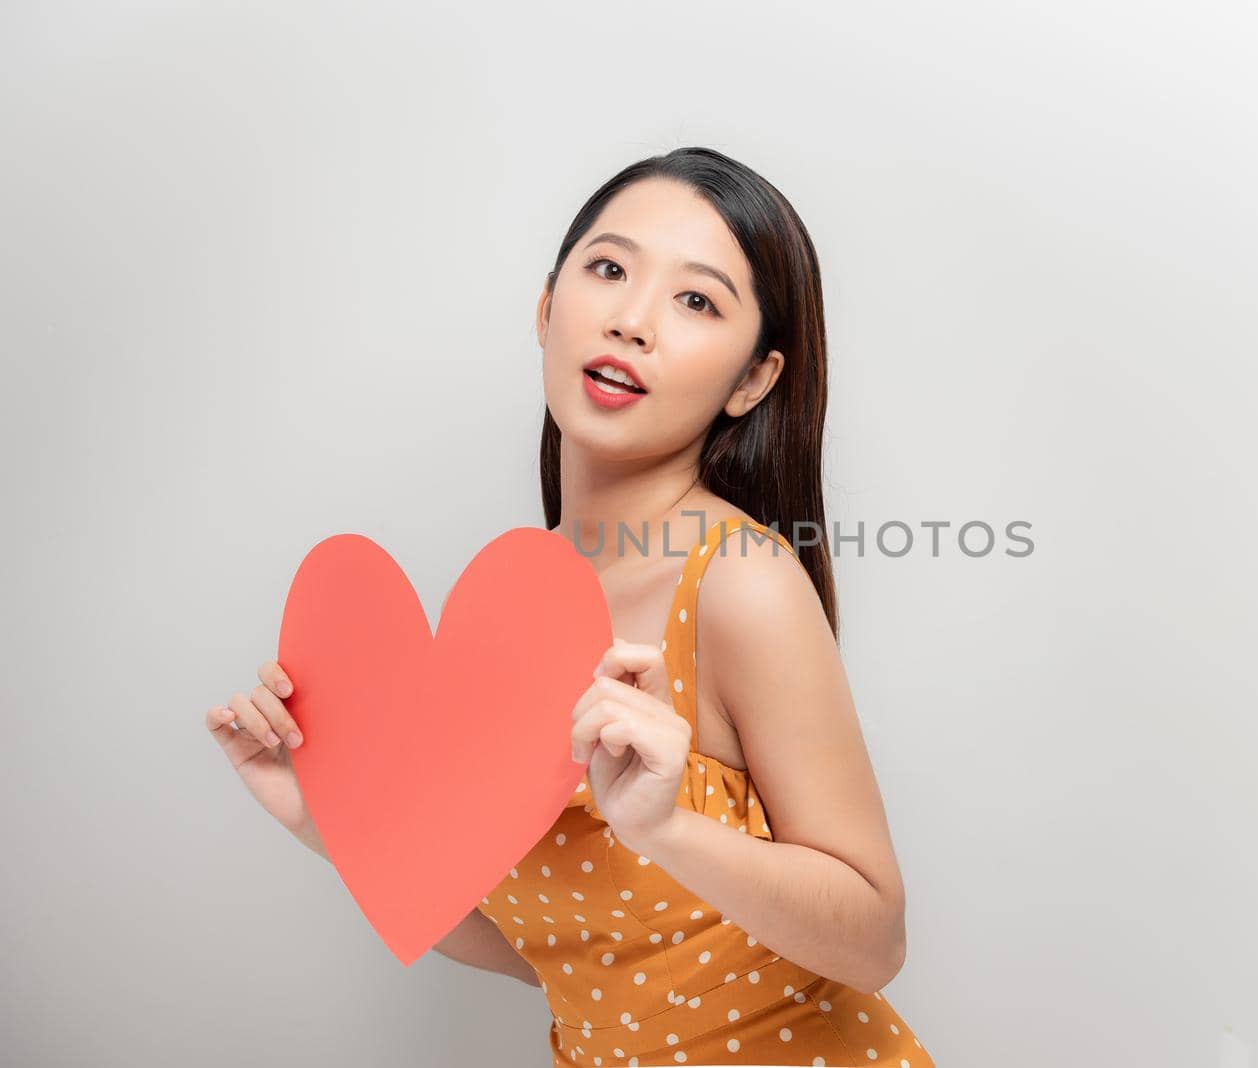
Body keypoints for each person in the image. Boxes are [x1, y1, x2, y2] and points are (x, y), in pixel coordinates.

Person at [207, 146, 935, 1067]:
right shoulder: (516, 612)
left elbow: (875, 941)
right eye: (609, 269)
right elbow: (548, 954)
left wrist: (666, 829)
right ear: (548, 309)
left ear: (753, 381)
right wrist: (321, 815)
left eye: (697, 300)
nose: (633, 321)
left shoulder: (737, 580)